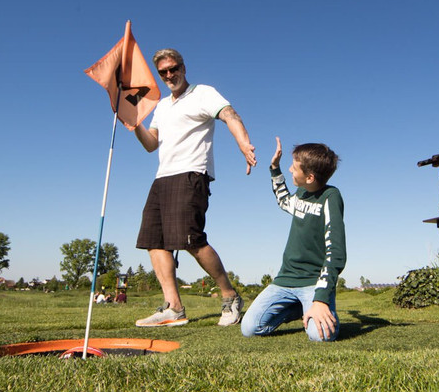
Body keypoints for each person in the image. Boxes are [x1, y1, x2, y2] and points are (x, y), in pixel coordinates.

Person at [133, 48, 256, 327]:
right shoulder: (162, 106)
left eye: (173, 68)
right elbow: (152, 144)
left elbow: (229, 115)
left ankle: (230, 296)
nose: (169, 75)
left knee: (191, 241)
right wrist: (134, 124)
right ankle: (173, 308)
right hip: (162, 177)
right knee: (153, 241)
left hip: (191, 174)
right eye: (163, 72)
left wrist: (243, 143)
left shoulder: (203, 93)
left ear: (183, 67)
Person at [241, 137, 346, 342]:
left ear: (310, 177)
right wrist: (274, 168)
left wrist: (321, 299)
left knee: (320, 336)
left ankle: (318, 309)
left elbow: (336, 252)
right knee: (250, 329)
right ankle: (298, 308)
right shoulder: (301, 193)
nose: (290, 170)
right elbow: (283, 200)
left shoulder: (331, 197)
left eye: (294, 167)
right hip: (284, 280)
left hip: (313, 284)